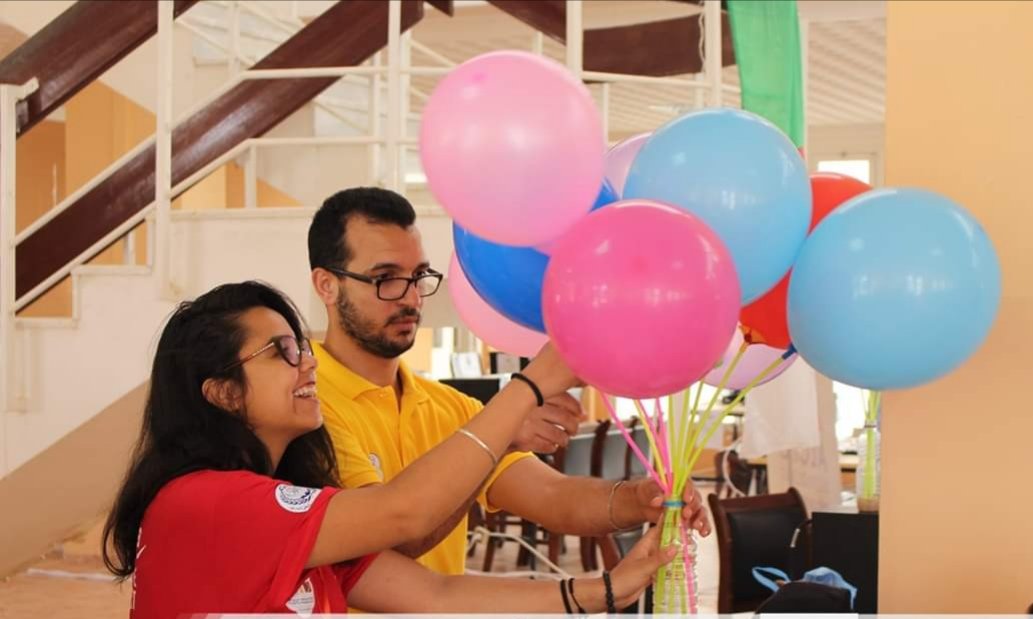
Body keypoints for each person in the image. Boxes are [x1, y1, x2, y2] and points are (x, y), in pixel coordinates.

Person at [102, 281, 673, 617]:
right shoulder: (206, 501)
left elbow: (436, 594)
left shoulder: (290, 508)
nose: (307, 364)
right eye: (280, 352)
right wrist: (529, 387)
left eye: (302, 347)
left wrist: (607, 588)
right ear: (223, 392)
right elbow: (406, 512)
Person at [307, 187, 710, 576]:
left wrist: (640, 499)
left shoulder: (449, 406)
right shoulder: (304, 410)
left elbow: (555, 498)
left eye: (419, 276)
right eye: (386, 278)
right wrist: (501, 431)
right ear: (327, 285)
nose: (411, 299)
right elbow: (382, 549)